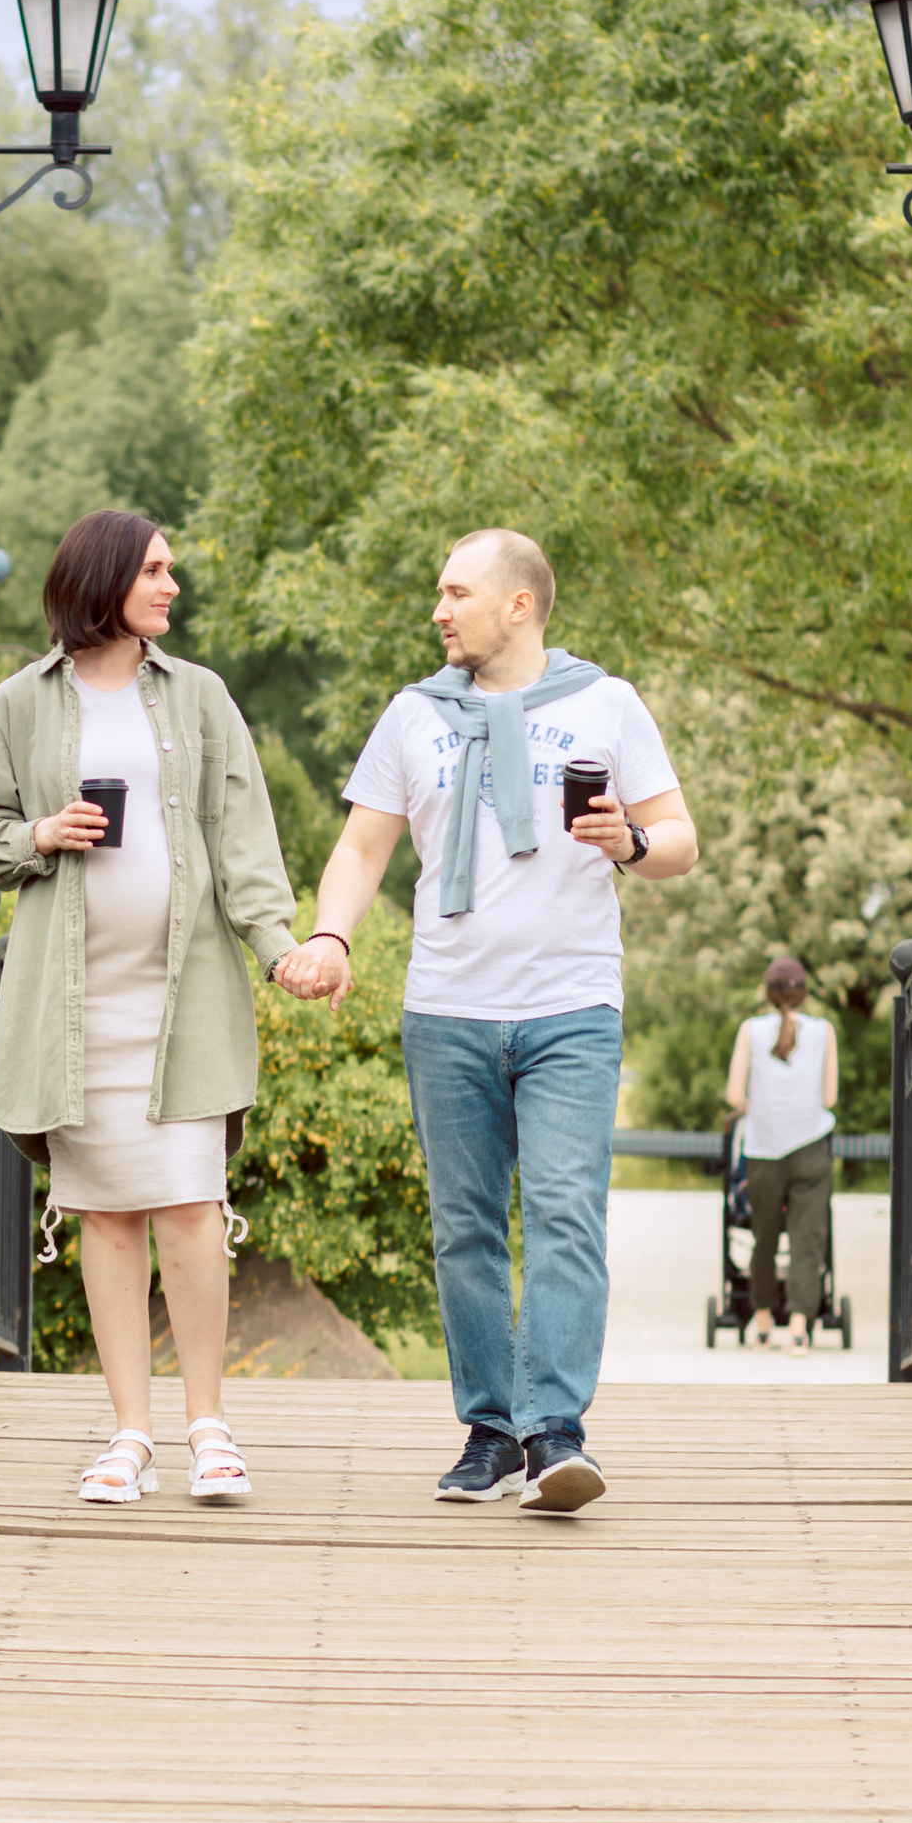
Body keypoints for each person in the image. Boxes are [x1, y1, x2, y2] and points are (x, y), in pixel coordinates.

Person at [282, 530, 698, 1511]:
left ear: (519, 604)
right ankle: (490, 1432)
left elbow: (680, 840)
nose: (439, 610)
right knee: (464, 1226)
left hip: (571, 1008)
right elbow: (361, 849)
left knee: (564, 1216)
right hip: (447, 1008)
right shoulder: (413, 715)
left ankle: (555, 1433)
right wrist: (332, 936)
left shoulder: (606, 703)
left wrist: (630, 841)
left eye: (456, 592)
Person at [0, 509, 332, 1507]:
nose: (171, 586)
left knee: (192, 1206)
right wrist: (41, 833)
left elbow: (244, 841)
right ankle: (130, 1434)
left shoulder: (201, 697)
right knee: (107, 1215)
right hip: (73, 1008)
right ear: (103, 580)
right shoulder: (19, 703)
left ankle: (209, 1426)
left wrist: (279, 950)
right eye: (155, 571)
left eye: (171, 570)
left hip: (184, 998)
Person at [724, 957, 838, 1351]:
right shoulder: (824, 1031)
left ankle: (761, 1319)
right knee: (808, 1238)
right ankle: (799, 1327)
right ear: (803, 993)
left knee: (764, 1236)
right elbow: (829, 1098)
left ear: (768, 993)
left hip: (764, 1149)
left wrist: (758, 1105)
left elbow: (734, 1095)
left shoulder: (750, 1031)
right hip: (811, 1149)